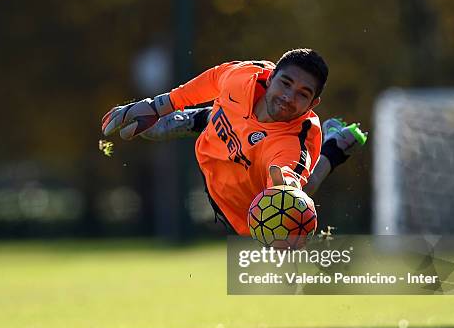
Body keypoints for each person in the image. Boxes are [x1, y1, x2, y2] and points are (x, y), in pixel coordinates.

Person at [102, 48, 366, 235]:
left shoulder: (294, 142)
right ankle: (200, 118)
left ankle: (334, 147)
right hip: (217, 153)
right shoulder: (245, 76)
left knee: (296, 199)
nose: (288, 96)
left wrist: (285, 193)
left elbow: (289, 175)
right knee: (234, 114)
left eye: (302, 94)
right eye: (285, 83)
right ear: (271, 76)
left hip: (244, 206)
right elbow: (214, 79)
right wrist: (159, 106)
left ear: (313, 104)